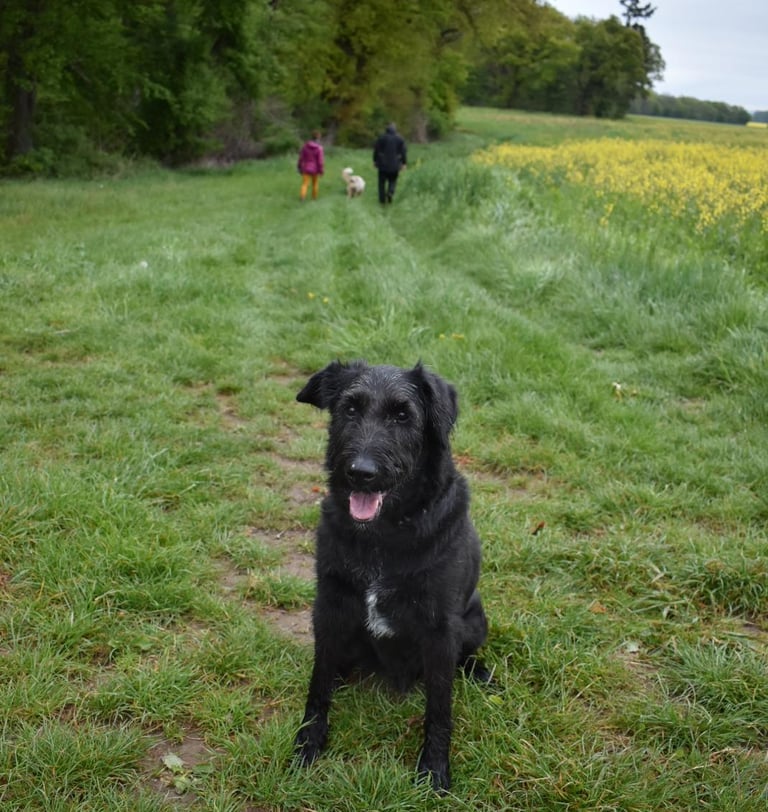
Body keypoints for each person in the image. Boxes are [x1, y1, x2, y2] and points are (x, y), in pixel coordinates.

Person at [373, 123, 407, 204]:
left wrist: (375, 161)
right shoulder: (400, 139)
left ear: (386, 130)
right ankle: (390, 192)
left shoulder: (381, 138)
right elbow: (403, 152)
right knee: (393, 180)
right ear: (395, 130)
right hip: (395, 165)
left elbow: (376, 150)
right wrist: (404, 163)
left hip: (382, 165)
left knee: (381, 183)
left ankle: (382, 201)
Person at [298, 130, 324, 201]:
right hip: (315, 169)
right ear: (318, 138)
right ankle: (314, 197)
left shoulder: (305, 146)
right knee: (315, 183)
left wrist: (299, 166)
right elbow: (320, 161)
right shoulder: (319, 148)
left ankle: (302, 197)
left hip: (306, 168)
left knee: (305, 184)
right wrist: (321, 170)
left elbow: (301, 158)